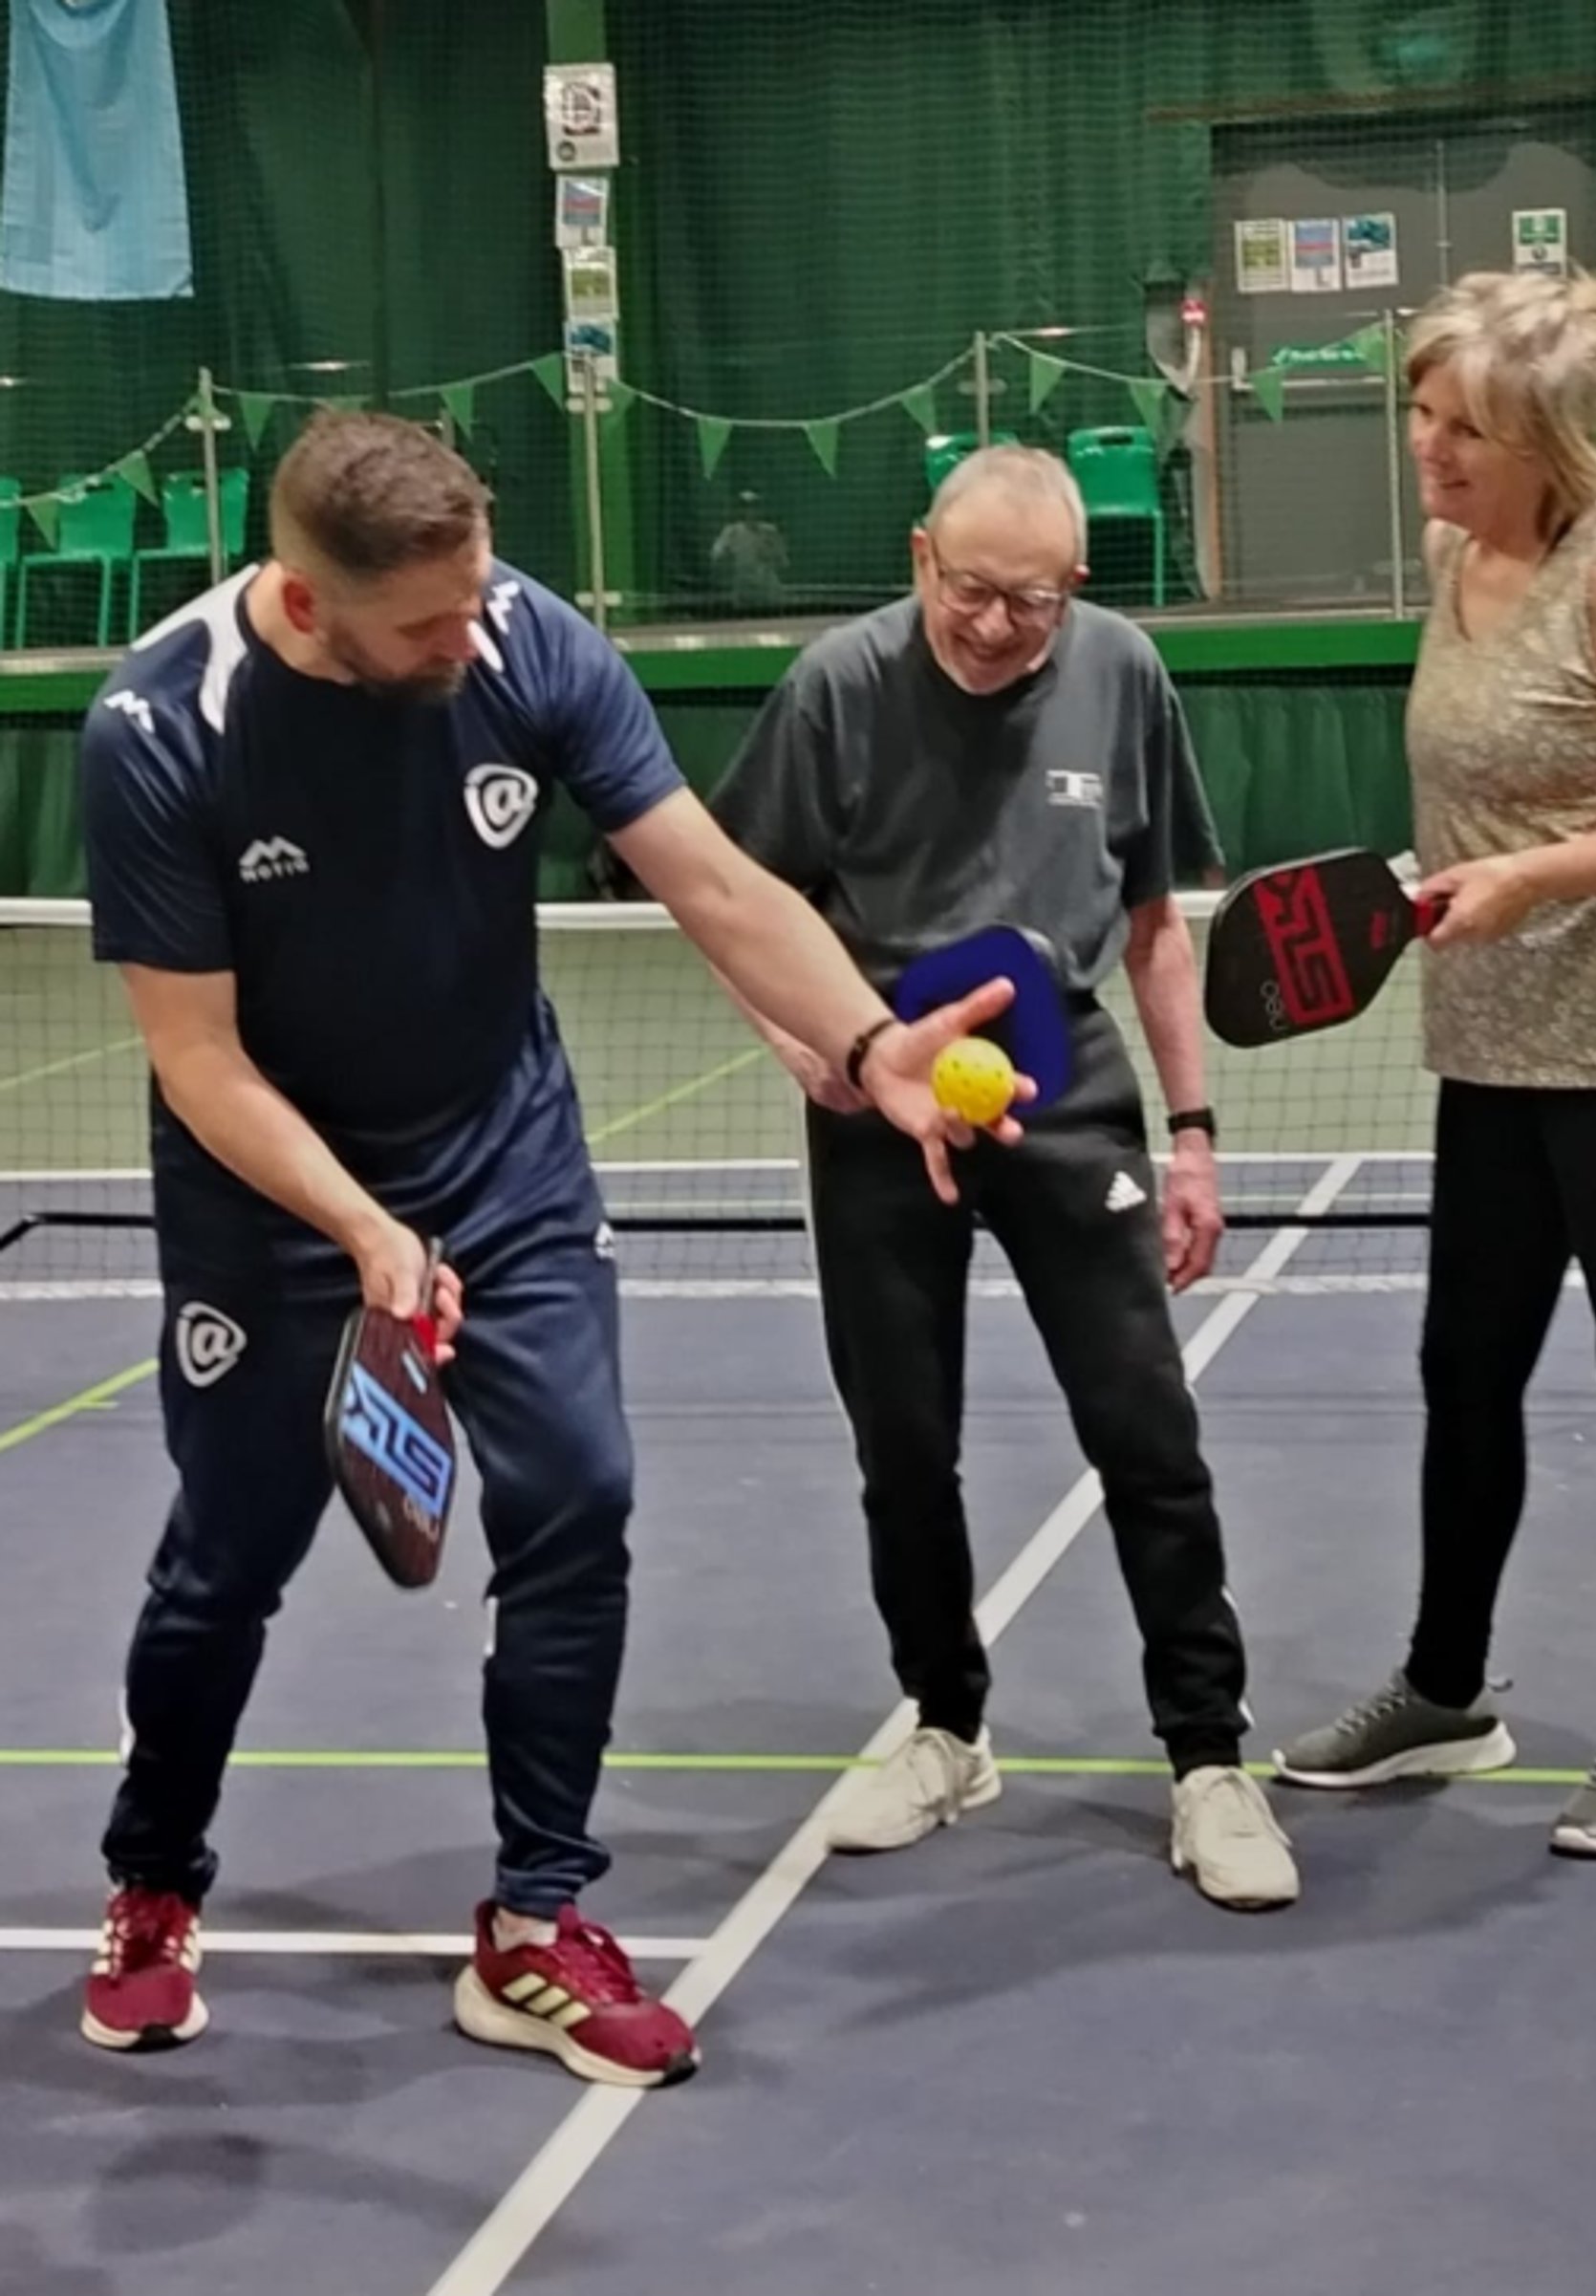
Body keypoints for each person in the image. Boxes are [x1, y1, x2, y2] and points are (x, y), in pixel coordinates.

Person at [76, 410, 1025, 2084]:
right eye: (428, 622)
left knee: (577, 1497)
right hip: (275, 1200)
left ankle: (533, 1922)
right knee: (230, 1555)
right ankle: (154, 1877)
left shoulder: (521, 634)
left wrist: (875, 1050)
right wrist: (365, 1229)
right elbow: (198, 1059)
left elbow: (719, 887)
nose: (476, 629)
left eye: (481, 589)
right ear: (309, 605)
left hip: (504, 1153)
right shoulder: (164, 726)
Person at [710, 444, 1298, 1911]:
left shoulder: (1121, 671)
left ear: (1074, 587)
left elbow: (1159, 924)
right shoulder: (836, 689)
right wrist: (823, 1060)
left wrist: (1197, 1132)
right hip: (878, 1101)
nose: (993, 624)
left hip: (1070, 1094)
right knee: (903, 1444)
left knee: (1145, 1431)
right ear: (920, 556)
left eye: (1028, 602)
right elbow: (742, 907)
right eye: (970, 589)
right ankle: (947, 1728)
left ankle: (1210, 1758)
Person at [1273, 271, 1596, 1856]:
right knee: (1464, 1371)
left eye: (1463, 426)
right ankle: (1445, 1688)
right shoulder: (1453, 552)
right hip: (1490, 1043)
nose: (1426, 447)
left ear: (1548, 436)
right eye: (1421, 412)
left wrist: (1536, 877)